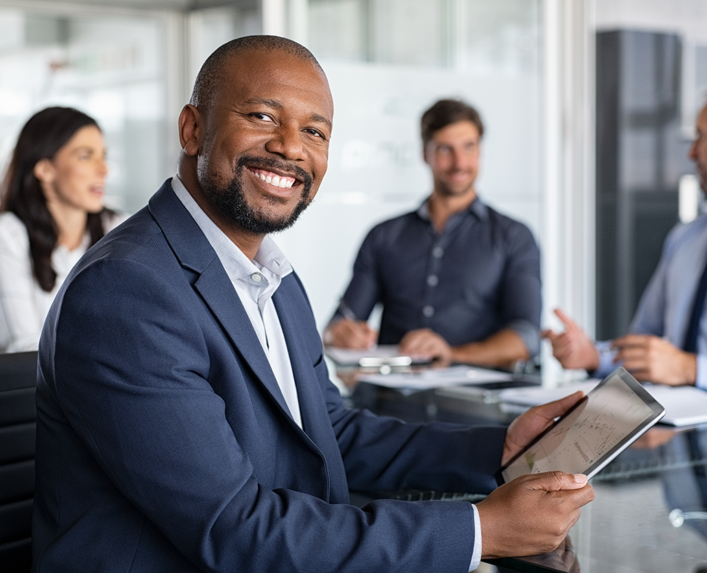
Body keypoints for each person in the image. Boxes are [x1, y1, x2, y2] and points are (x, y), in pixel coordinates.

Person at [33, 36, 593, 572]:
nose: (291, 148)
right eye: (262, 117)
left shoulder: (271, 275)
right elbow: (234, 530)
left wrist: (500, 448)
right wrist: (481, 530)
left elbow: (331, 434)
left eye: (316, 132)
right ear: (192, 128)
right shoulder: (128, 290)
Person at [543, 79, 707, 403]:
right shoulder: (687, 236)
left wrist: (691, 370)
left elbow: (677, 366)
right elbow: (645, 345)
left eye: (701, 136)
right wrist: (593, 356)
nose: (691, 152)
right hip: (674, 440)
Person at [324, 98, 541, 368]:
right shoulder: (383, 236)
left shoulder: (514, 237)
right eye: (445, 149)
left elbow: (527, 337)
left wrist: (453, 354)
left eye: (469, 147)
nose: (459, 162)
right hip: (389, 399)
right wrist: (340, 334)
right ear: (425, 154)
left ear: (480, 151)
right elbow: (339, 322)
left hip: (476, 401)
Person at [0, 106, 121, 353]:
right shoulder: (8, 237)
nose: (104, 170)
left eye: (103, 156)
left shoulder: (121, 228)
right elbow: (26, 351)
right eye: (86, 156)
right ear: (45, 169)